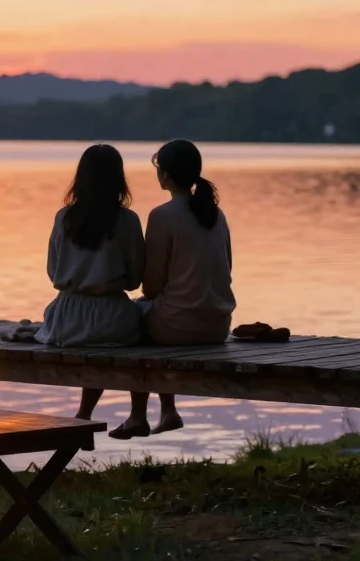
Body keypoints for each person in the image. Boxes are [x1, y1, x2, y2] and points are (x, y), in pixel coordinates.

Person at [111, 139, 236, 440]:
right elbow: (226, 268)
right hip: (218, 325)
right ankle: (167, 412)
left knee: (133, 320)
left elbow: (151, 285)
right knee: (156, 311)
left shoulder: (162, 216)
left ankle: (137, 417)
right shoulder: (216, 214)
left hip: (179, 326)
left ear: (164, 175)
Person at [30, 143, 145, 424]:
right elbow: (135, 280)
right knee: (144, 327)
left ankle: (84, 414)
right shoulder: (127, 221)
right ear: (119, 179)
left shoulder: (64, 217)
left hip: (66, 320)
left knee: (101, 342)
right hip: (112, 318)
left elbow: (52, 271)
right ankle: (137, 415)